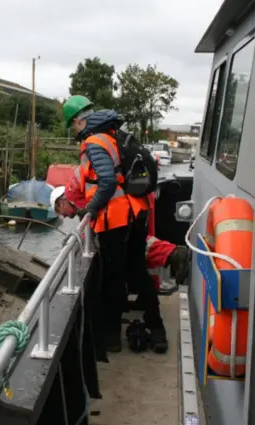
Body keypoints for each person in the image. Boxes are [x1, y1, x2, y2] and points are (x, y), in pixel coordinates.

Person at [61, 95, 168, 353]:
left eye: (73, 125)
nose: (76, 131)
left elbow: (107, 181)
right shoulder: (112, 135)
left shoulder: (94, 142)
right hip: (136, 212)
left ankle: (110, 339)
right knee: (136, 271)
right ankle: (158, 330)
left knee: (113, 277)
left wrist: (91, 208)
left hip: (116, 219)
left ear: (78, 120)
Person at [50, 185, 190, 293]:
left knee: (136, 244)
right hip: (126, 208)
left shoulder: (81, 199)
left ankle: (174, 253)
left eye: (60, 211)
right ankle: (151, 286)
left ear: (62, 202)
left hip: (120, 213)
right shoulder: (81, 199)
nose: (64, 216)